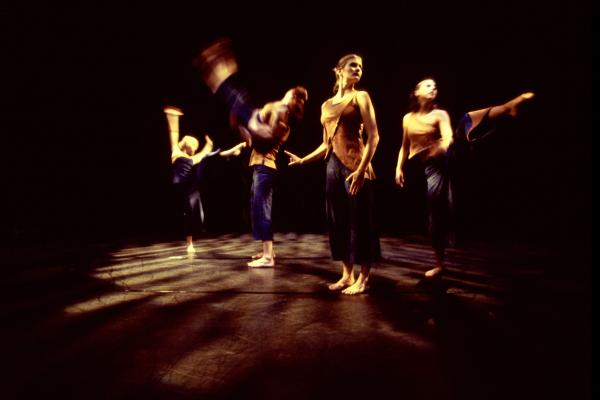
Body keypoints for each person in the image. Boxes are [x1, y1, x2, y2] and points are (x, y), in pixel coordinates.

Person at [394, 77, 534, 278]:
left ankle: (508, 107)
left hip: (446, 158)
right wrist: (399, 168)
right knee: (436, 212)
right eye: (428, 85)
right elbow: (404, 146)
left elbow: (448, 137)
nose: (433, 88)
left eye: (435, 85)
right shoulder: (407, 118)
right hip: (431, 167)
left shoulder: (440, 114)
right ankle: (440, 264)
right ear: (416, 92)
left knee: (466, 121)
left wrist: (440, 147)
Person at [286, 54, 380, 295]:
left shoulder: (361, 97)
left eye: (360, 66)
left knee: (361, 222)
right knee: (338, 221)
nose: (358, 69)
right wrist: (304, 159)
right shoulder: (325, 105)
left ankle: (363, 277)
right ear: (338, 71)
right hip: (333, 166)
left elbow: (374, 136)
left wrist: (360, 171)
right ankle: (347, 275)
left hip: (356, 165)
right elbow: (326, 143)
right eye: (353, 65)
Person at [164, 106, 246, 253]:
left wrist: (173, 117)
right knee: (190, 215)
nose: (195, 148)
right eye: (193, 146)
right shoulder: (177, 153)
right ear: (188, 146)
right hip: (184, 189)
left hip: (192, 188)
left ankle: (231, 153)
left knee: (198, 216)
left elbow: (202, 154)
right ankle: (189, 244)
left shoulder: (191, 157)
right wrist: (172, 117)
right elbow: (173, 134)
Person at [244, 86, 308, 268]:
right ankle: (268, 251)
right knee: (257, 211)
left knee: (262, 211)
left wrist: (249, 122)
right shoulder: (280, 117)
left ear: (293, 96)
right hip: (261, 168)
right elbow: (253, 138)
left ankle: (268, 257)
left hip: (265, 168)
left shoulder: (282, 122)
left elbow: (262, 138)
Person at [193, 37, 282, 148]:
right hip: (243, 106)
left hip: (240, 106)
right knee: (223, 82)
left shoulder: (256, 131)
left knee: (221, 83)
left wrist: (236, 120)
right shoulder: (262, 130)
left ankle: (213, 58)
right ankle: (217, 56)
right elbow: (246, 122)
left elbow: (239, 124)